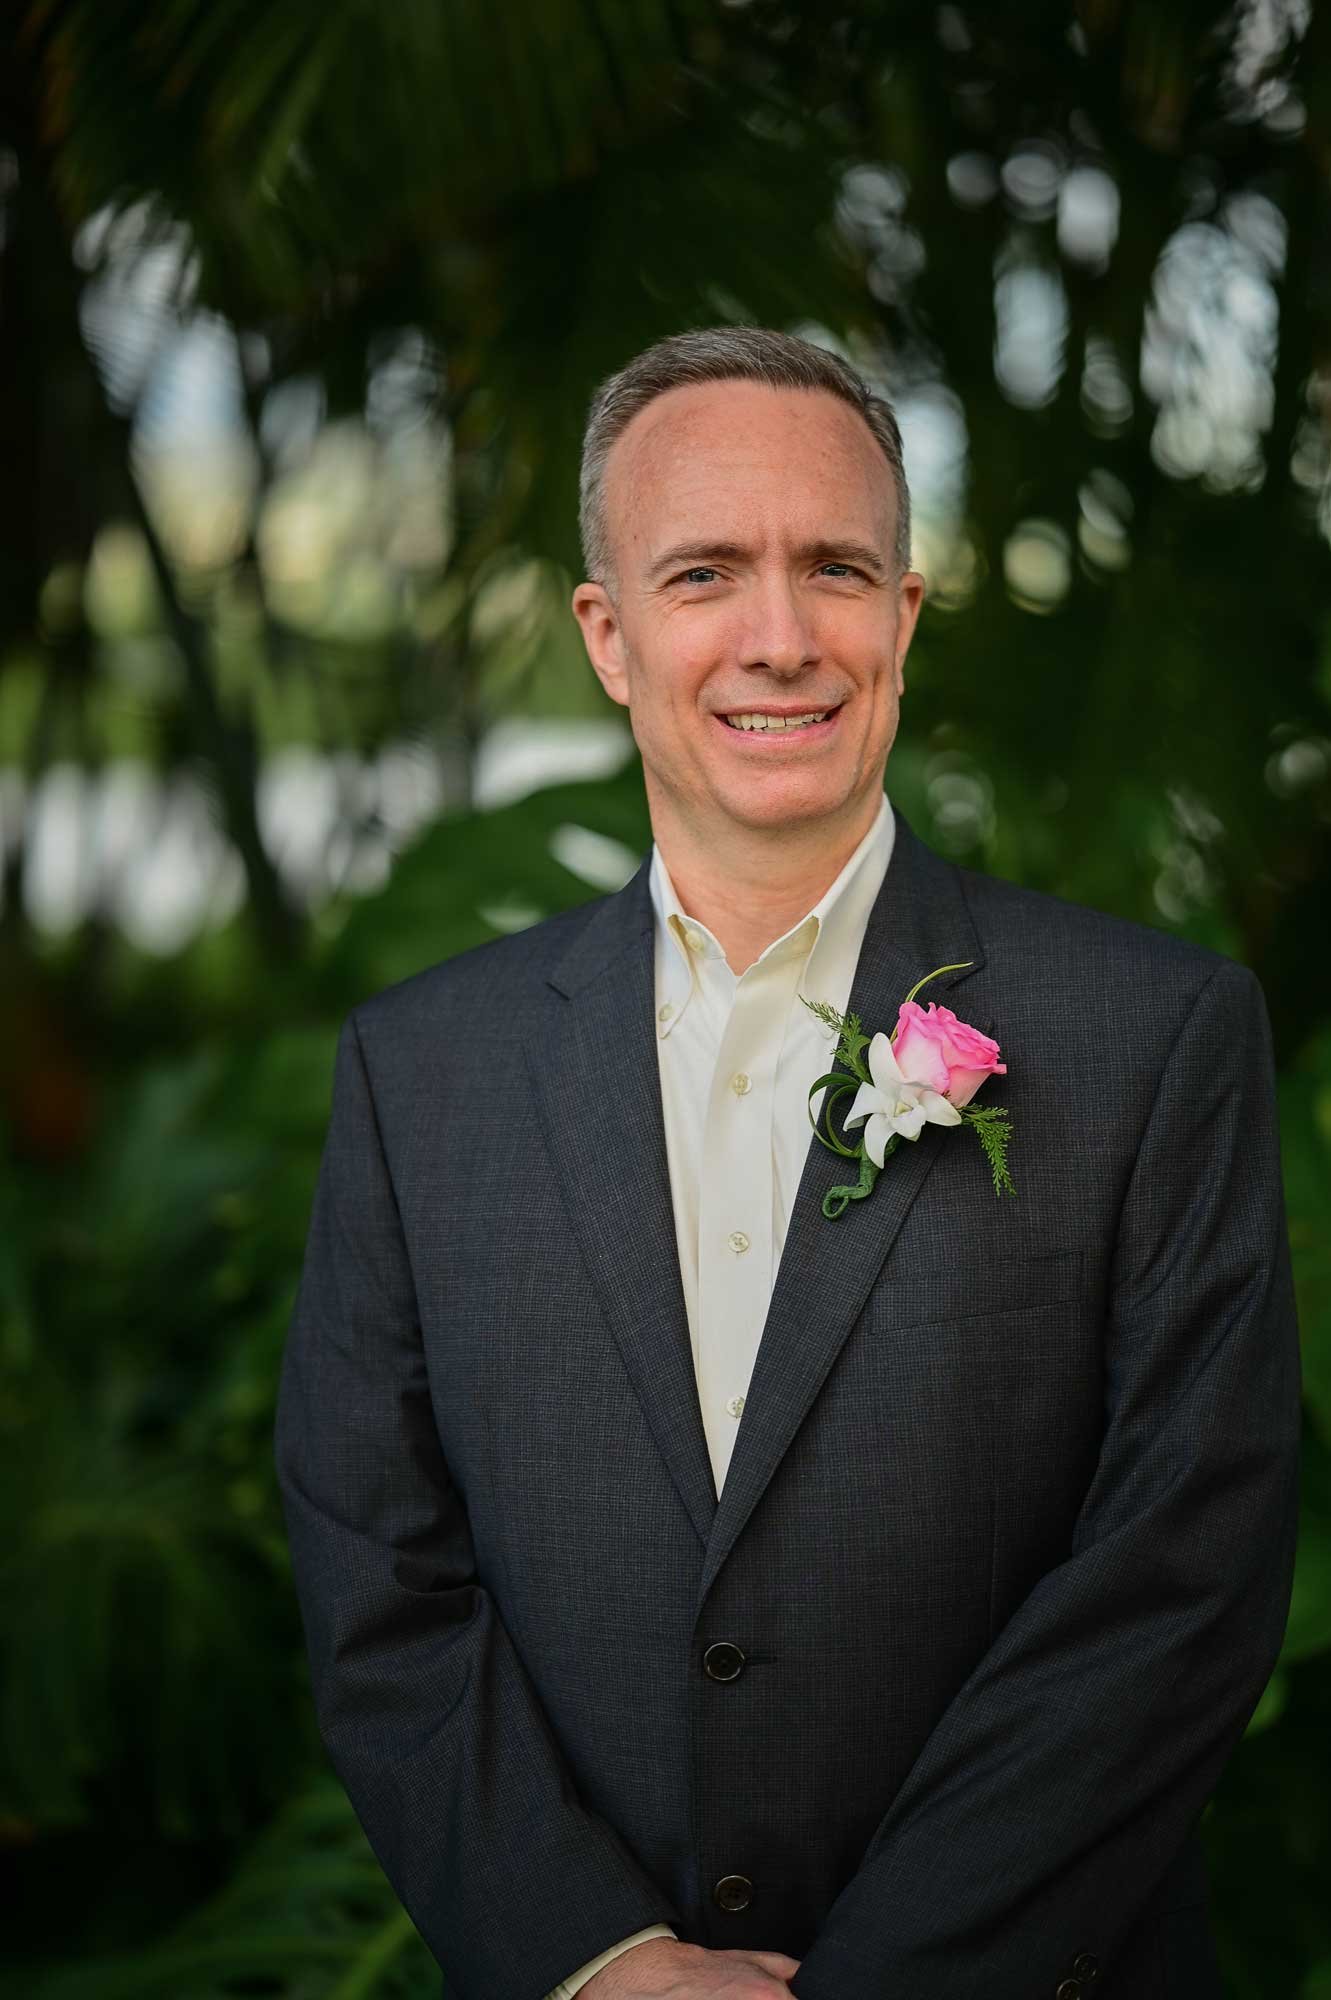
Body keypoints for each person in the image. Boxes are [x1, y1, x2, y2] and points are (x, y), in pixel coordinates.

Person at [274, 327, 1301, 2000]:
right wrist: (596, 1958)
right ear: (610, 637)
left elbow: (1184, 1571)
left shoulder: (1157, 1039)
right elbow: (375, 1570)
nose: (779, 637)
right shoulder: (422, 1075)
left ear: (902, 615)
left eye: (833, 566)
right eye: (703, 573)